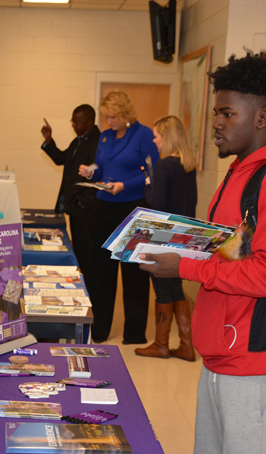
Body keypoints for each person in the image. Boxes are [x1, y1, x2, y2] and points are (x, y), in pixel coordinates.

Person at [139, 52, 266, 454]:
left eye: (227, 113)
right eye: (216, 112)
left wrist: (187, 268)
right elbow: (225, 252)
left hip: (260, 354)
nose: (215, 123)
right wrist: (172, 250)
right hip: (222, 349)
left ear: (263, 117)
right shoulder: (238, 173)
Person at [79, 91, 160, 344]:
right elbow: (100, 167)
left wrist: (125, 185)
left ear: (126, 115)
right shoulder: (105, 137)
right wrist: (90, 171)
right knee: (102, 270)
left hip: (134, 208)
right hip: (105, 207)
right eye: (106, 117)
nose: (108, 122)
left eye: (113, 117)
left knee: (133, 271)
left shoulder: (144, 134)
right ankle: (100, 330)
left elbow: (152, 172)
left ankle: (134, 333)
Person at [135, 115, 197, 361]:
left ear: (168, 137)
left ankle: (161, 344)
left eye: (157, 136)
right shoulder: (188, 165)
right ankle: (186, 345)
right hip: (183, 236)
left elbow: (156, 204)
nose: (154, 140)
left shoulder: (164, 166)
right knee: (177, 288)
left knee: (162, 288)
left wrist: (147, 186)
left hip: (162, 236)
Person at [41, 104, 101, 289]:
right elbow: (62, 159)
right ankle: (83, 285)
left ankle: (88, 289)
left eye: (77, 122)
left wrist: (83, 203)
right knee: (80, 252)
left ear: (90, 122)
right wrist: (49, 140)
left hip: (86, 209)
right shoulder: (79, 141)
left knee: (87, 255)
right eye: (72, 121)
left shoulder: (97, 142)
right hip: (75, 207)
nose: (73, 125)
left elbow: (99, 174)